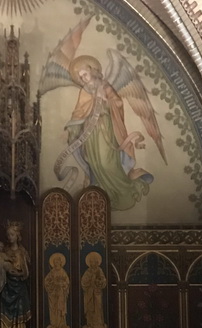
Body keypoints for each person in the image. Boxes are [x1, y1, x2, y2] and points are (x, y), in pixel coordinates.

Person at [62, 56, 153, 212]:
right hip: (89, 133)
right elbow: (78, 112)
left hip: (105, 129)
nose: (84, 79)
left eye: (85, 74)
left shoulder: (105, 86)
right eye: (81, 77)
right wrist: (71, 127)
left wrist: (106, 101)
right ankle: (102, 191)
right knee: (94, 162)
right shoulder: (84, 91)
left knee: (106, 162)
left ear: (92, 70)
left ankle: (124, 189)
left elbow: (118, 102)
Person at [0, 222, 31, 328]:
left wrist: (19, 274)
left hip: (19, 287)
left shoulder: (22, 252)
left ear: (17, 236)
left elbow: (26, 272)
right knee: (6, 313)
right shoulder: (4, 252)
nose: (10, 237)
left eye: (12, 234)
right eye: (8, 235)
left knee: (19, 312)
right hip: (7, 287)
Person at [81, 250, 107, 328]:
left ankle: (98, 324)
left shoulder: (99, 270)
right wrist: (89, 281)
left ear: (97, 262)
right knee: (89, 308)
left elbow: (103, 281)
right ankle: (90, 324)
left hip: (97, 293)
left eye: (94, 262)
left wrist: (98, 281)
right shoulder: (87, 271)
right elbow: (83, 282)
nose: (93, 263)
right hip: (89, 293)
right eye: (91, 262)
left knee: (98, 308)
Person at [44, 252, 70, 328]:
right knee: (53, 309)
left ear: (60, 262)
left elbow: (67, 282)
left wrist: (62, 284)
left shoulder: (63, 272)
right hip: (53, 294)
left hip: (61, 294)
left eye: (57, 262)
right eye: (55, 262)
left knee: (60, 309)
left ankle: (61, 325)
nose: (56, 263)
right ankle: (54, 325)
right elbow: (46, 281)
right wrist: (52, 283)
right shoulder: (52, 272)